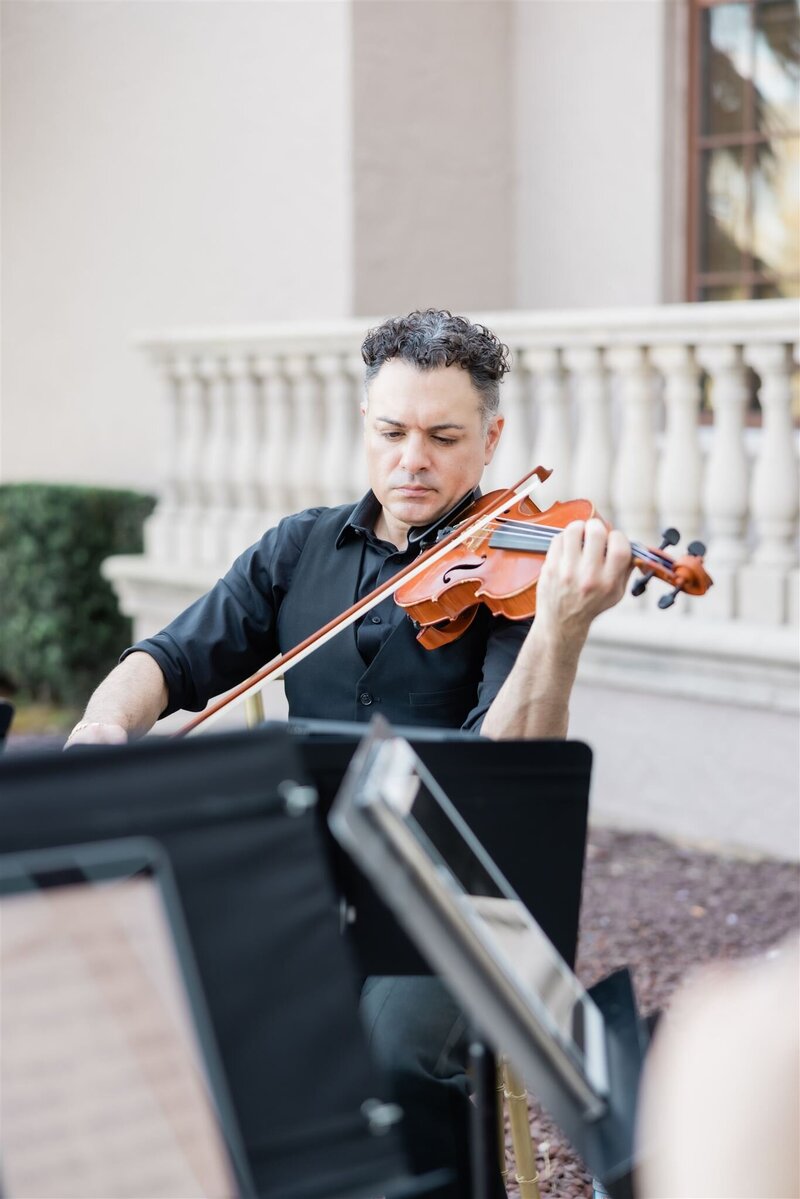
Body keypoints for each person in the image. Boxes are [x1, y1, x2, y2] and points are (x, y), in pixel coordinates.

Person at [67, 309, 633, 1197]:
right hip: (302, 864)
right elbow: (170, 660)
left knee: (388, 1056)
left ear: (491, 440)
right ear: (365, 426)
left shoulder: (519, 574)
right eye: (392, 431)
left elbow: (507, 764)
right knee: (186, 1015)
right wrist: (104, 721)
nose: (414, 458)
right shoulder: (297, 548)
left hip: (451, 887)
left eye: (445, 436)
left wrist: (559, 630)